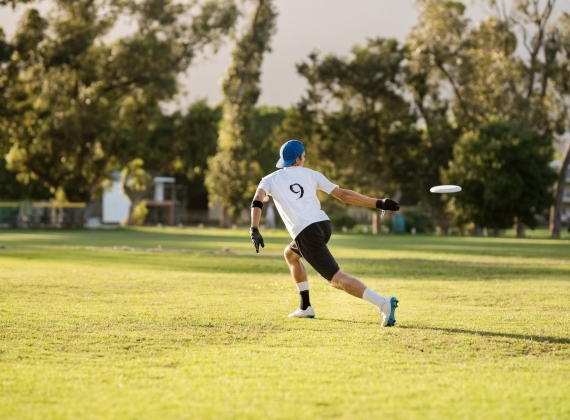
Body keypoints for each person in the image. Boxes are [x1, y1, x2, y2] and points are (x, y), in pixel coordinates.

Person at [249, 140, 400, 327]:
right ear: (298, 159)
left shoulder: (269, 179)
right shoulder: (312, 174)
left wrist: (254, 228)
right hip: (323, 225)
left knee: (336, 279)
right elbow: (344, 196)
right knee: (290, 255)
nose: (304, 159)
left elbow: (258, 199)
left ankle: (383, 303)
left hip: (306, 232)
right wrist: (379, 202)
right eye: (303, 156)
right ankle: (305, 307)